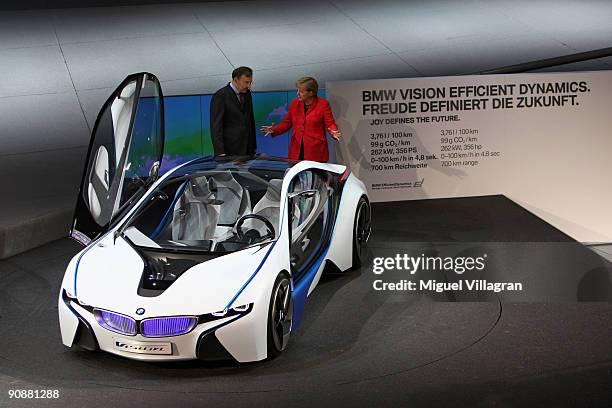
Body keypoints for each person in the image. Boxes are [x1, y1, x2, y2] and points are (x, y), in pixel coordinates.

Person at [261, 76, 341, 162]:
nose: (297, 93)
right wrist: (274, 129)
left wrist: (334, 132)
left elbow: (330, 123)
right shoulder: (295, 103)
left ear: (311, 92)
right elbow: (286, 123)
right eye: (297, 90)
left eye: (301, 91)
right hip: (296, 150)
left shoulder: (323, 104)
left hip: (315, 151)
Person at [210, 66, 257, 157]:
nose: (249, 86)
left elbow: (250, 120)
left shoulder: (247, 93)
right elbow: (216, 126)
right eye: (246, 82)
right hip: (230, 150)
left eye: (250, 82)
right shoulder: (220, 96)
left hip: (248, 149)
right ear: (236, 80)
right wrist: (220, 152)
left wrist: (253, 146)